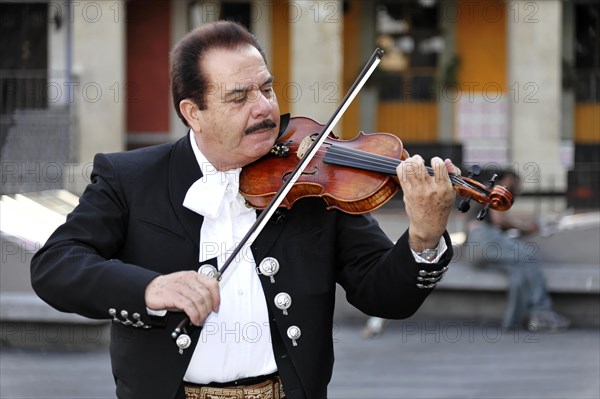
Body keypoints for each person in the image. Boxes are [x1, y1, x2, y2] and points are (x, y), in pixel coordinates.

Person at [30, 21, 459, 399]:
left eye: (267, 88)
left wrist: (423, 237)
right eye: (239, 97)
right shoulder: (131, 177)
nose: (264, 107)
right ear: (193, 113)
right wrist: (149, 288)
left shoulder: (314, 179)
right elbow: (56, 266)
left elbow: (384, 295)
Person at [464, 170, 570, 332]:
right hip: (484, 238)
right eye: (518, 183)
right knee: (529, 256)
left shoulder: (484, 191)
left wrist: (520, 228)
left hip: (473, 249)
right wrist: (526, 227)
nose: (519, 188)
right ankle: (541, 313)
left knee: (518, 270)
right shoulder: (497, 189)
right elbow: (500, 221)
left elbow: (499, 225)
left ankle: (514, 321)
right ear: (508, 179)